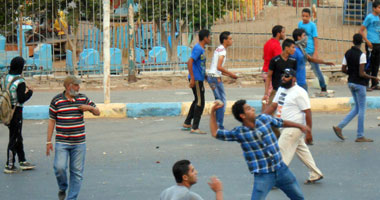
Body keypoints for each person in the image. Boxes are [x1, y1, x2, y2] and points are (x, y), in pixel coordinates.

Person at [210, 99, 310, 200]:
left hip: (281, 169)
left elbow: (281, 122)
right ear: (243, 116)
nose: (253, 109)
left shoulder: (264, 119)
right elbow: (215, 133)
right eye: (249, 109)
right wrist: (212, 112)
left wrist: (300, 126)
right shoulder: (240, 133)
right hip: (263, 175)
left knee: (298, 197)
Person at [264, 68, 324, 184]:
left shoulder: (300, 92)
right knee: (302, 151)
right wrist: (259, 118)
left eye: (287, 76)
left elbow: (308, 112)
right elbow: (273, 106)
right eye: (283, 76)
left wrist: (309, 132)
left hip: (294, 128)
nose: (283, 78)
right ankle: (315, 173)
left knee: (281, 151)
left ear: (294, 79)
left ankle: (276, 178)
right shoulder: (281, 89)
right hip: (283, 126)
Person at [46, 75, 100, 200]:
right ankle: (63, 187)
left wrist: (90, 108)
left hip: (79, 143)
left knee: (77, 173)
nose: (78, 87)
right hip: (62, 142)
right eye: (76, 85)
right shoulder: (57, 101)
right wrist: (48, 141)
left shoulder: (82, 98)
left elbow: (98, 112)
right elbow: (51, 121)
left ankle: (71, 198)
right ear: (68, 86)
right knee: (59, 168)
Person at [333, 34, 379, 142]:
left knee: (357, 108)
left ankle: (339, 127)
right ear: (362, 42)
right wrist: (373, 77)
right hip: (360, 84)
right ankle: (360, 135)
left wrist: (351, 73)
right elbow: (362, 73)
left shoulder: (347, 53)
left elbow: (343, 69)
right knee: (362, 109)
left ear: (352, 41)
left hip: (351, 83)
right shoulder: (361, 55)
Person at [3, 56, 35, 174]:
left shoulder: (5, 78)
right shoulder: (20, 82)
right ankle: (9, 164)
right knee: (14, 138)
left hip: (6, 110)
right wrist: (30, 92)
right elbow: (21, 99)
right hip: (16, 112)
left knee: (17, 135)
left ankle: (22, 160)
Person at [182, 30, 211, 134]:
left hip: (200, 78)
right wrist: (193, 78)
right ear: (205, 38)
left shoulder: (202, 49)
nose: (210, 39)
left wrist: (205, 76)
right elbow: (190, 61)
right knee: (200, 102)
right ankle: (195, 127)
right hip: (197, 79)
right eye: (209, 37)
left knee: (196, 100)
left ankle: (187, 122)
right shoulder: (198, 48)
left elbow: (199, 65)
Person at [207, 31, 238, 129]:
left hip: (211, 76)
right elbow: (219, 67)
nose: (232, 41)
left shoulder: (218, 49)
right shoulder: (223, 51)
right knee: (222, 101)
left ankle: (216, 122)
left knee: (219, 100)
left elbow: (217, 68)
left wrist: (230, 76)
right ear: (225, 40)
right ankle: (219, 124)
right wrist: (231, 74)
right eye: (230, 39)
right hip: (215, 78)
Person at [298, 8, 329, 96]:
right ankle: (301, 88)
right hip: (302, 51)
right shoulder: (300, 24)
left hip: (310, 51)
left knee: (316, 70)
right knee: (300, 69)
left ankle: (323, 87)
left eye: (306, 16)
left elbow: (315, 39)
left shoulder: (312, 26)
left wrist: (315, 52)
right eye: (303, 16)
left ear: (310, 17)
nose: (304, 18)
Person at [262, 39, 297, 108]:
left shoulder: (293, 61)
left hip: (288, 91)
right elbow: (269, 76)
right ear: (286, 48)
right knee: (270, 111)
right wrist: (266, 93)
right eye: (293, 47)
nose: (294, 49)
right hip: (276, 91)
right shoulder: (275, 60)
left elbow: (294, 76)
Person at [359, 0, 380, 91]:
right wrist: (367, 41)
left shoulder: (379, 18)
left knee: (376, 64)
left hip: (378, 43)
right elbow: (361, 30)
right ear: (374, 8)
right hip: (371, 43)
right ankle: (366, 83)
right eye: (379, 7)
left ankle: (374, 83)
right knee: (369, 64)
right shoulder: (369, 17)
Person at [262, 25, 285, 97]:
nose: (284, 34)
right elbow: (278, 61)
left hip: (265, 70)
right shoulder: (276, 45)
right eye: (283, 32)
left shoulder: (267, 43)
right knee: (271, 95)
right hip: (271, 73)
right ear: (278, 34)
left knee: (269, 93)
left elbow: (263, 57)